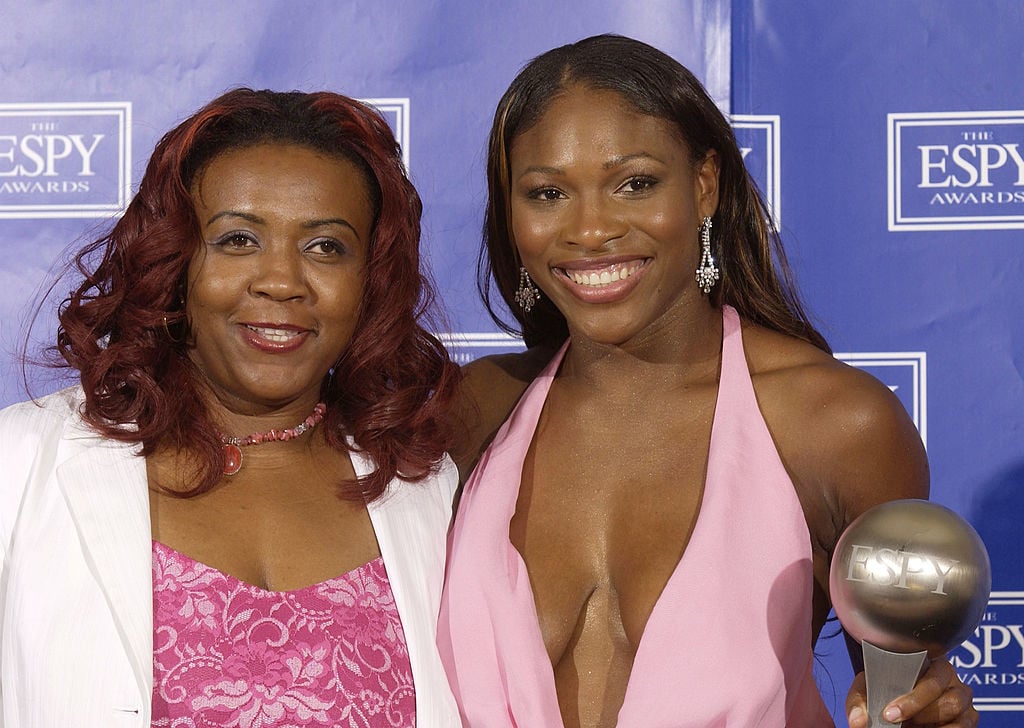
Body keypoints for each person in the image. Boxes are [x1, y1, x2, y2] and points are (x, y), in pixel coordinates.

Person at [439, 35, 978, 727]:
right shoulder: (476, 407)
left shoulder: (835, 424)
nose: (591, 228)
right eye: (547, 193)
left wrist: (931, 709)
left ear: (704, 187)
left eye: (635, 183)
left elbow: (902, 690)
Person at [0, 89, 462, 727]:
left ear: (370, 281)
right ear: (176, 262)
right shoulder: (20, 463)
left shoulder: (430, 489)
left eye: (326, 246)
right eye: (238, 239)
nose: (281, 281)